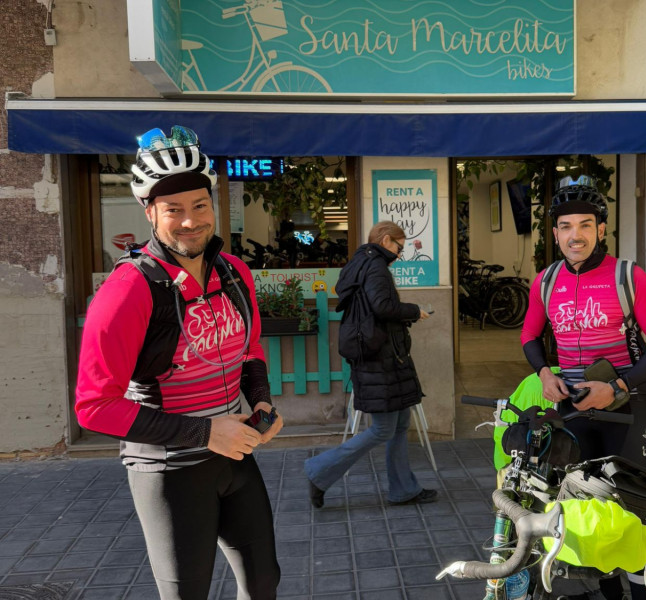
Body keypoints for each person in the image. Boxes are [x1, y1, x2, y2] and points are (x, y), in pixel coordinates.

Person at [75, 125, 283, 600]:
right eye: (173, 210)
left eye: (200, 205)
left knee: (264, 581)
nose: (190, 221)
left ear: (215, 206)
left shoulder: (234, 273)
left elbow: (249, 349)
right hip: (169, 470)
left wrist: (263, 402)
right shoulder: (127, 290)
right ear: (150, 212)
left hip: (233, 456)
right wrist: (206, 431)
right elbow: (94, 406)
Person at [519, 177, 646, 600]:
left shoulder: (629, 277)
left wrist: (620, 385)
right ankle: (609, 587)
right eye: (567, 227)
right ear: (555, 234)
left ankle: (639, 589)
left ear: (601, 230)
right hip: (574, 409)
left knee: (633, 503)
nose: (576, 236)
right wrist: (544, 374)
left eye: (586, 225)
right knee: (585, 502)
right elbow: (530, 336)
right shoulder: (546, 281)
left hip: (625, 407)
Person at [304, 221, 437, 507]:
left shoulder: (360, 262)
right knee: (383, 429)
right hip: (381, 358)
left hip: (381, 355)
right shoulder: (376, 267)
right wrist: (414, 311)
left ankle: (403, 489)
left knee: (400, 423)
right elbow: (383, 307)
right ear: (386, 240)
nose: (399, 254)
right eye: (399, 248)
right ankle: (318, 471)